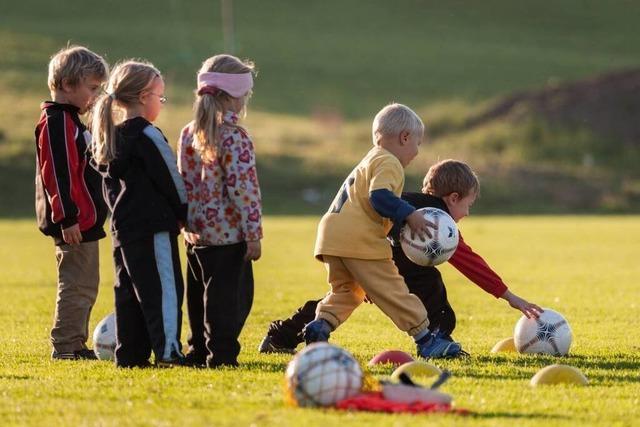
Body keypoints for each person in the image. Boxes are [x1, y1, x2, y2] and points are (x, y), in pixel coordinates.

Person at [259, 160, 542, 355]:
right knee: (431, 286)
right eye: (469, 204)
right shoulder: (438, 220)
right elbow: (467, 260)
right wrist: (509, 296)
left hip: (357, 247)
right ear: (453, 198)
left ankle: (280, 336)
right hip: (379, 255)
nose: (467, 213)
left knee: (343, 296)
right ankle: (439, 341)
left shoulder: (406, 198)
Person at [302, 103, 463, 359]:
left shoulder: (370, 158)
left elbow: (369, 204)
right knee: (395, 291)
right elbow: (379, 197)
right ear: (404, 137)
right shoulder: (390, 162)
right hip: (359, 239)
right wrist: (410, 214)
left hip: (331, 237)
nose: (417, 151)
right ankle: (426, 339)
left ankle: (320, 325)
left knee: (348, 292)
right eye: (417, 144)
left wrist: (395, 228)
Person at [91, 60, 188, 368]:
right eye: (161, 97)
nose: (161, 102)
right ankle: (169, 351)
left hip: (123, 230)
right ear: (145, 96)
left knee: (129, 291)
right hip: (153, 227)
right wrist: (184, 212)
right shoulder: (148, 135)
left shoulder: (110, 136)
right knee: (164, 291)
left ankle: (130, 355)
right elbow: (171, 177)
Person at [177, 54, 262, 368]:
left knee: (198, 296)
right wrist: (253, 234)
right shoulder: (235, 137)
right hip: (229, 236)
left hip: (195, 233)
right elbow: (244, 190)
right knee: (227, 300)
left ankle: (198, 350)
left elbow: (183, 180)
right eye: (245, 96)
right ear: (233, 97)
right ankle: (222, 356)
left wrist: (185, 223)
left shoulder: (188, 133)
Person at [35, 46, 109, 360]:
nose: (95, 96)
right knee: (76, 284)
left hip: (85, 220)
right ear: (67, 85)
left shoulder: (72, 123)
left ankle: (75, 343)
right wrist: (67, 216)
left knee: (86, 283)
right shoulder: (56, 123)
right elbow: (58, 172)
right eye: (92, 88)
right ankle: (66, 346)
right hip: (74, 222)